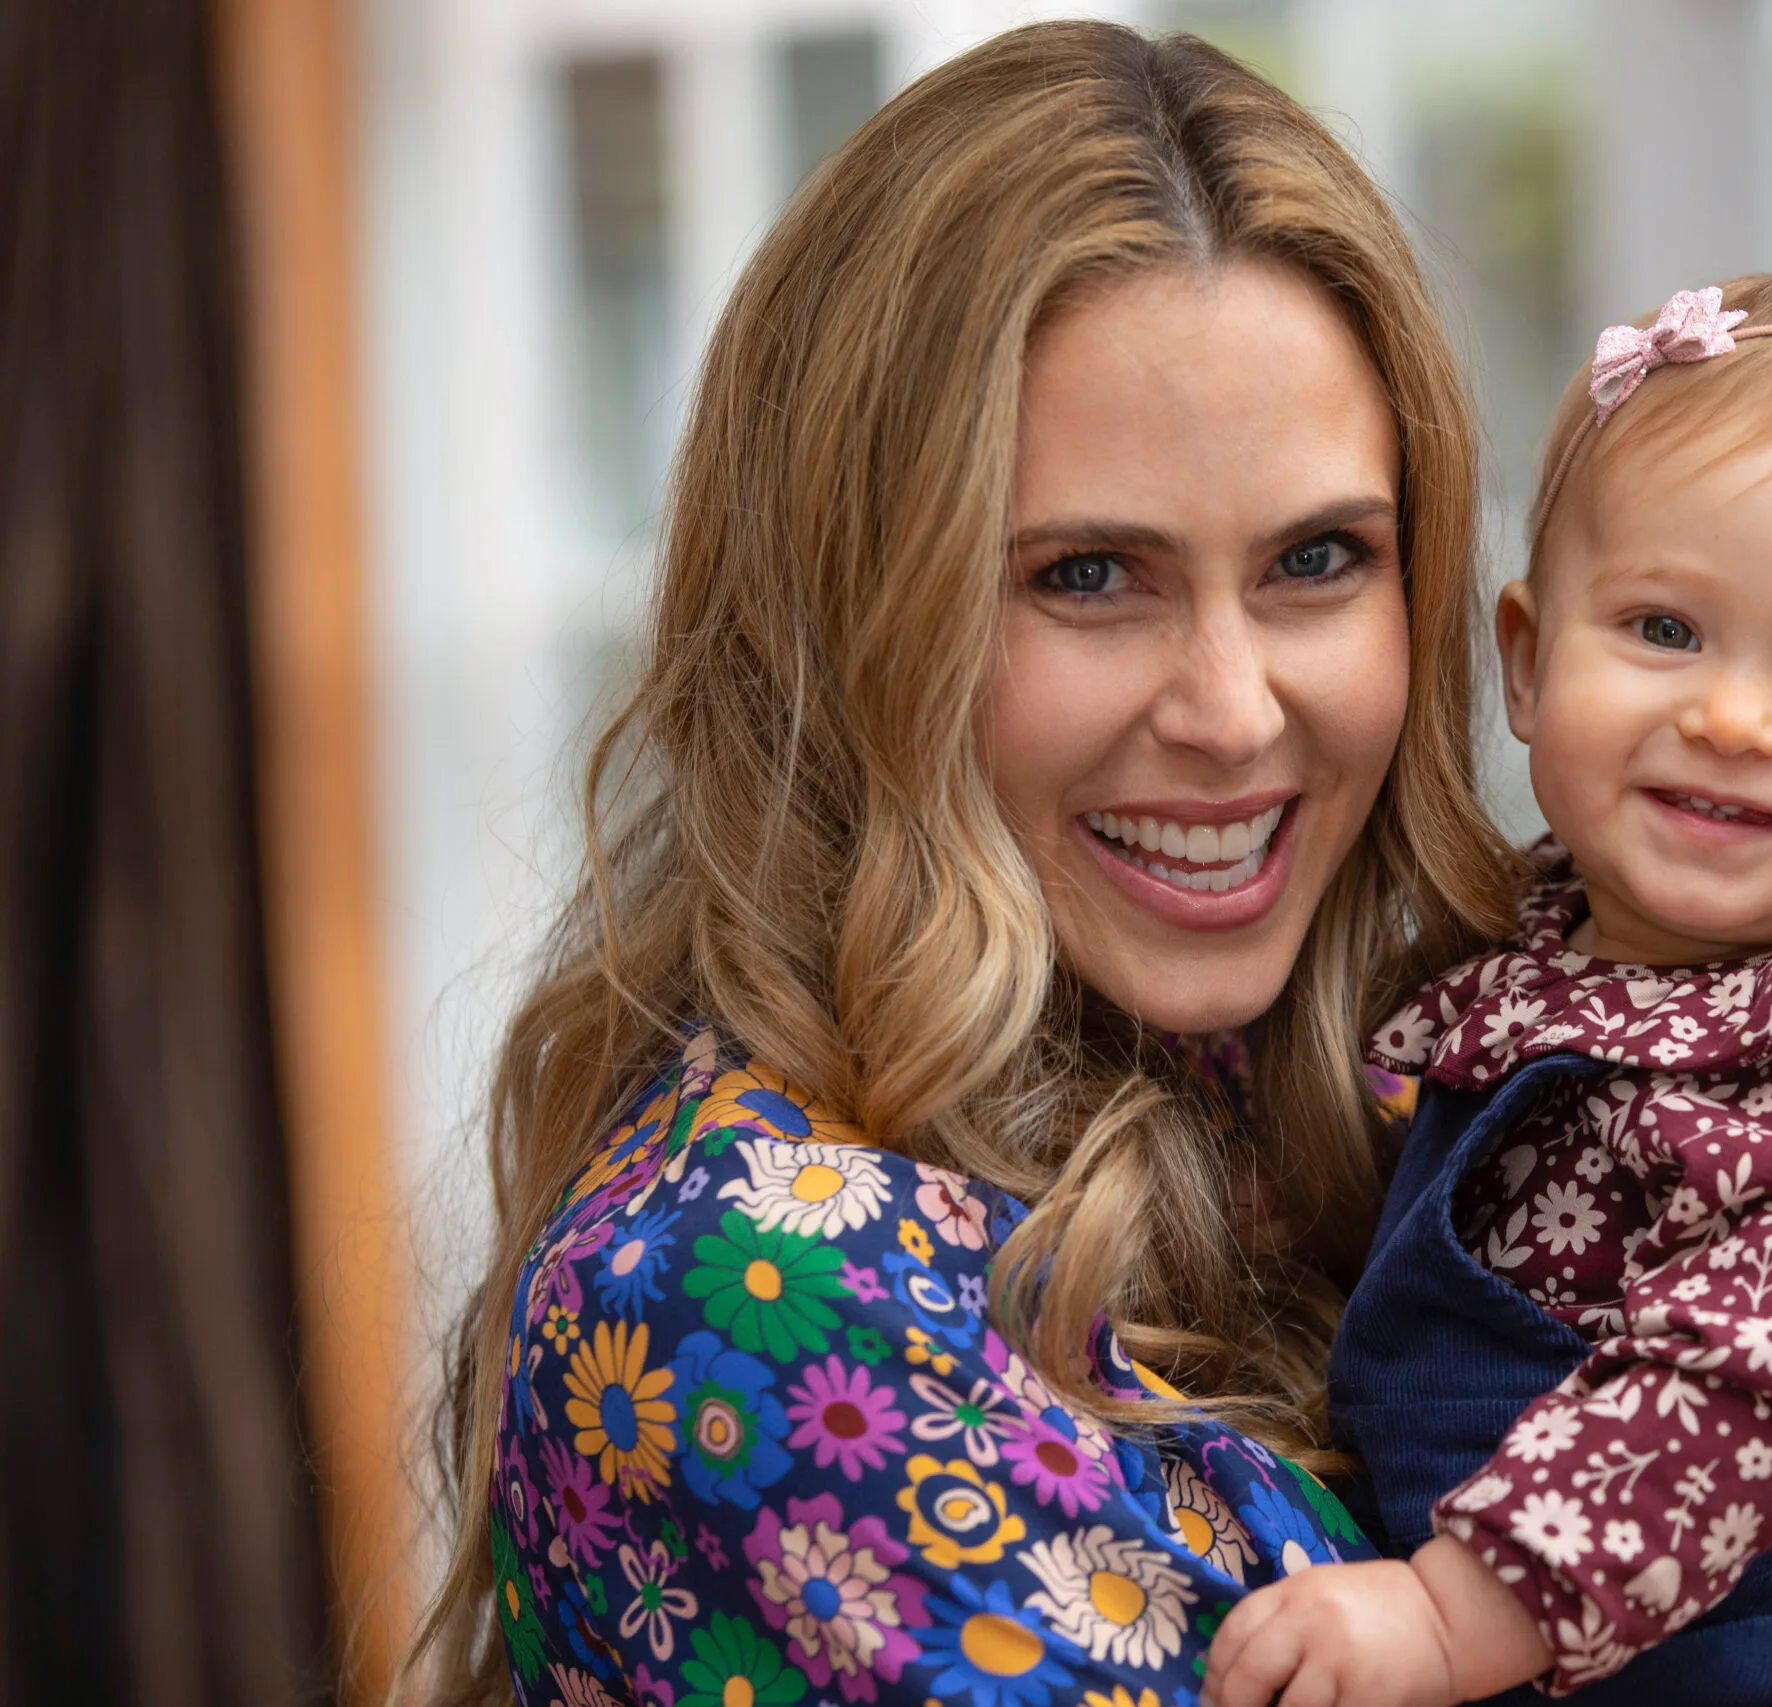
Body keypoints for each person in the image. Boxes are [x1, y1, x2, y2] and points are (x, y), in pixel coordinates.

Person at [400, 23, 1524, 1706]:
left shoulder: (1412, 1088)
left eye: (1316, 558)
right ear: (849, 614)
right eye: (1084, 574)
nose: (1232, 710)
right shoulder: (760, 1290)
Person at [1204, 273, 1772, 1706]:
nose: (1734, 716)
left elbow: (1730, 1393)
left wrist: (1454, 1615)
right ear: (1525, 659)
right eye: (1665, 630)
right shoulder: (1514, 968)